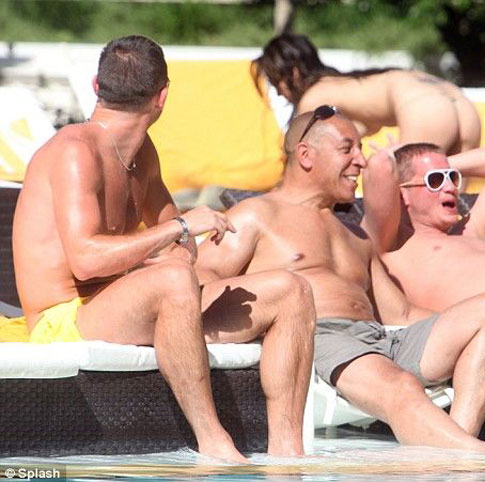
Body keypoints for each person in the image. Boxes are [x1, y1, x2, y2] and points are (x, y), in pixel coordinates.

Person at [12, 35, 316, 461]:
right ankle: (213, 441)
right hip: (62, 318)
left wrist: (174, 240)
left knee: (292, 291)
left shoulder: (143, 153)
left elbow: (184, 250)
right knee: (173, 280)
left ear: (97, 86)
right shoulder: (75, 151)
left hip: (125, 305)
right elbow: (86, 261)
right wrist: (177, 230)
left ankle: (289, 455)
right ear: (163, 97)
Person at [195, 105, 485, 453]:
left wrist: (460, 321)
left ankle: (458, 447)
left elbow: (399, 314)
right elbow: (201, 280)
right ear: (306, 155)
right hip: (323, 338)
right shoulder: (257, 215)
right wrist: (258, 319)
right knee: (400, 385)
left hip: (382, 338)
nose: (361, 161)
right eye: (347, 149)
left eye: (361, 149)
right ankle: (478, 455)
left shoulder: (355, 234)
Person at [252, 33, 481, 155]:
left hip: (425, 107)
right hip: (460, 101)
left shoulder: (314, 96)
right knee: (455, 211)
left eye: (276, 81)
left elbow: (299, 156)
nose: (279, 94)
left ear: (293, 72)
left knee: (409, 199)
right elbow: (359, 131)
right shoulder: (348, 84)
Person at [361, 143, 485, 311]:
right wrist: (398, 160)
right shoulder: (391, 244)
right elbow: (379, 168)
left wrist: (442, 164)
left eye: (452, 177)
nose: (451, 188)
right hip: (484, 316)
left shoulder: (470, 232)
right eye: (435, 180)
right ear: (401, 194)